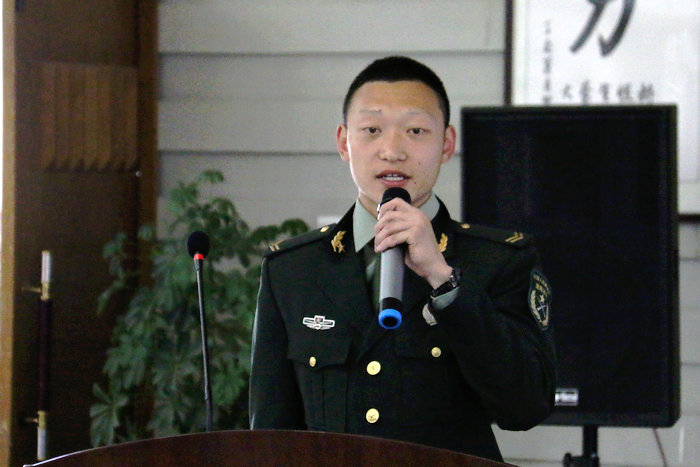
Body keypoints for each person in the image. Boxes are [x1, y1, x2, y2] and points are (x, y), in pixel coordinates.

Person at [249, 56, 556, 461]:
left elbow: (526, 407)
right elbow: (271, 435)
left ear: (446, 143)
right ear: (344, 142)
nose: (392, 151)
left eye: (415, 131)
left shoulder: (499, 260)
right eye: (372, 130)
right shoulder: (292, 269)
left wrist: (444, 280)